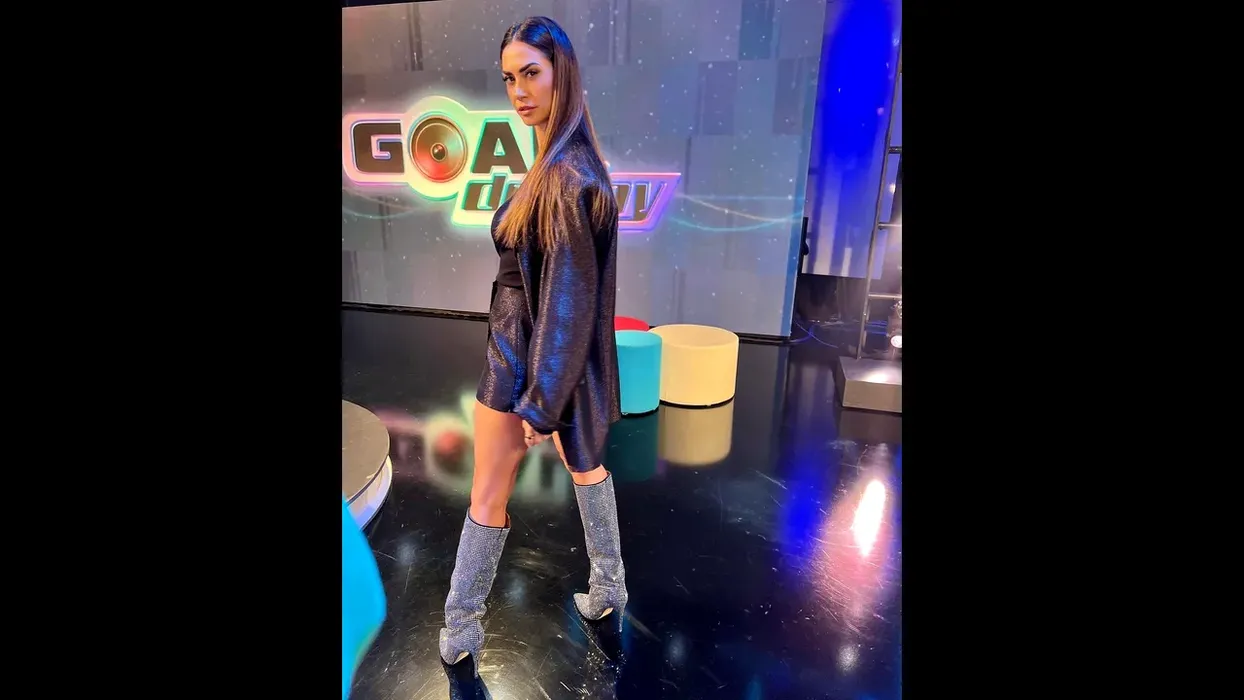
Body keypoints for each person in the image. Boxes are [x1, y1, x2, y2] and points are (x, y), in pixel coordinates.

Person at [438, 16, 626, 671]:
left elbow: (569, 303)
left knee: (487, 496)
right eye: (509, 78)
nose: (519, 91)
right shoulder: (561, 163)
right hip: (541, 356)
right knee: (585, 467)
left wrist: (541, 403)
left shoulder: (569, 177)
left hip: (522, 359)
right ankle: (609, 589)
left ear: (560, 73)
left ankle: (459, 628)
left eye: (531, 74)